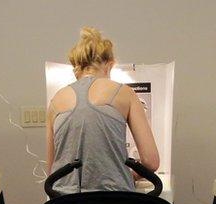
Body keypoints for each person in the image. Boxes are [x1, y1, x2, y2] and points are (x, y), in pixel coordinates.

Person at [46, 27, 159, 194]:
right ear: (110, 65)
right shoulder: (125, 93)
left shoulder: (56, 100)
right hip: (114, 202)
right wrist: (127, 175)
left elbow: (51, 172)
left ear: (76, 68)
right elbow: (151, 162)